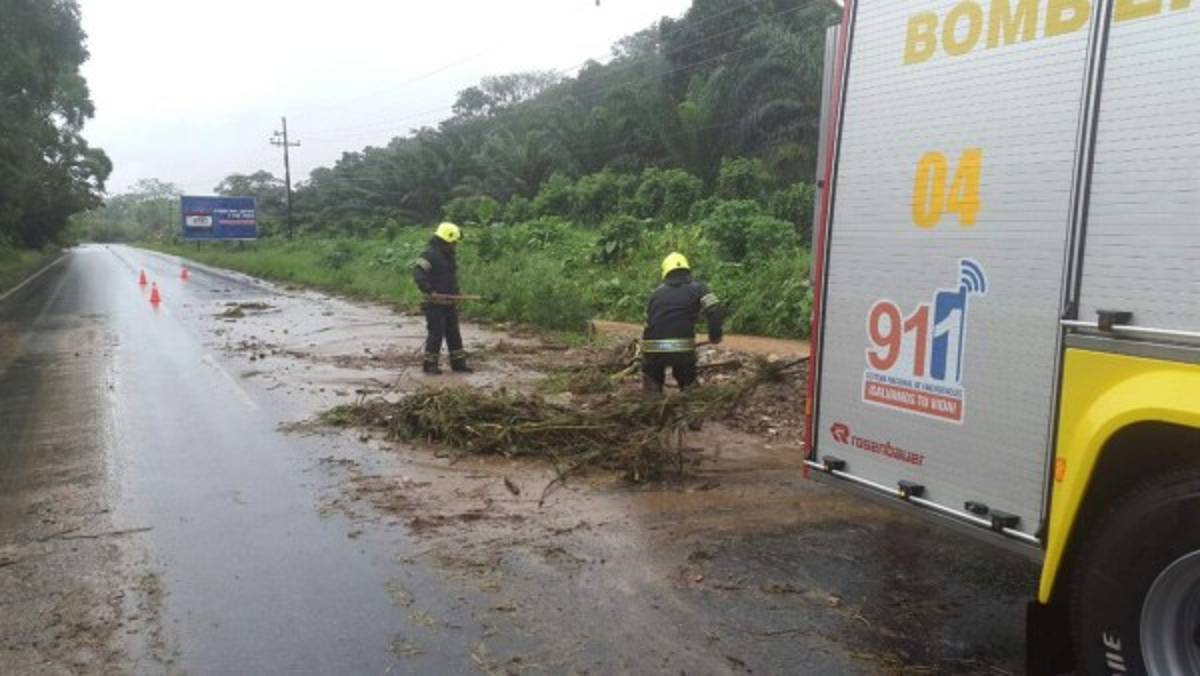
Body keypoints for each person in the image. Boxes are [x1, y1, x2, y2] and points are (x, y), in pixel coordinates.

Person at [641, 252, 724, 393]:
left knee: (652, 384)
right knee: (688, 385)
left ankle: (652, 395)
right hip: (682, 347)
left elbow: (649, 321)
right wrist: (715, 335)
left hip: (652, 348)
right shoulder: (699, 288)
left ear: (665, 272)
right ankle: (689, 394)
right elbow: (714, 309)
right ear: (687, 270)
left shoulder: (655, 294)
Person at [413, 222, 473, 375]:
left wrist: (457, 292)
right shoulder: (429, 254)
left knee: (454, 333)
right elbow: (418, 274)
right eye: (453, 243)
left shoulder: (449, 256)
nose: (455, 246)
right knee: (436, 333)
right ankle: (430, 364)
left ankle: (458, 363)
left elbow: (450, 278)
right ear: (445, 240)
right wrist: (429, 291)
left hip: (449, 302)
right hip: (435, 303)